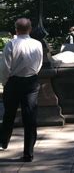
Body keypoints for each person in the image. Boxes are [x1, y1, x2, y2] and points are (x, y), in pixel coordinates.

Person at [0, 18, 43, 162]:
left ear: (16, 29)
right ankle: (28, 153)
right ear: (30, 29)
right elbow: (39, 63)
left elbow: (5, 67)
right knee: (30, 118)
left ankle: (3, 142)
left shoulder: (11, 44)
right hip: (31, 82)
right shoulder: (37, 44)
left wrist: (6, 83)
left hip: (13, 82)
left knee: (9, 115)